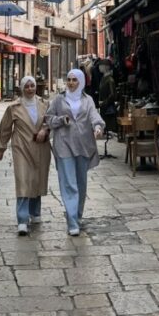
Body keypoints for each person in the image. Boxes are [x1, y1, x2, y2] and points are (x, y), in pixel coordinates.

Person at [45, 68, 105, 236]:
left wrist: (98, 127)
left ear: (81, 82)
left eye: (74, 80)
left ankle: (77, 214)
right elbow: (48, 119)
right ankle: (72, 221)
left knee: (81, 183)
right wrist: (60, 120)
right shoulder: (58, 99)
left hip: (83, 145)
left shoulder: (88, 100)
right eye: (69, 79)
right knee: (69, 183)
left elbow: (94, 116)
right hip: (64, 144)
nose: (71, 83)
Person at [0, 76, 51, 236]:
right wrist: (0, 147)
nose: (30, 89)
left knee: (37, 178)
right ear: (21, 88)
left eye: (32, 85)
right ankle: (22, 219)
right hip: (21, 147)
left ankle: (35, 212)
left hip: (41, 147)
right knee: (23, 179)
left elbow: (51, 121)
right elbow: (5, 127)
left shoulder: (45, 104)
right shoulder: (14, 107)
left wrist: (45, 130)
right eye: (26, 86)